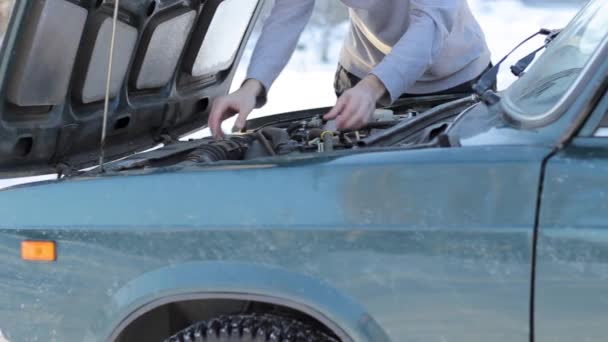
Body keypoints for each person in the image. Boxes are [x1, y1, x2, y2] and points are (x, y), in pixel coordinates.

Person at [209, 0, 491, 138]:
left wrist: (373, 87)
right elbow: (287, 16)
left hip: (456, 81)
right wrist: (251, 86)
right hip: (360, 74)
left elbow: (431, 23)